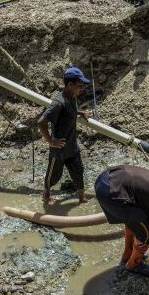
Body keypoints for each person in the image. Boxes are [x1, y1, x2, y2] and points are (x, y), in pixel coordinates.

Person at [38, 67, 91, 205]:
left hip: (72, 146)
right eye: (80, 86)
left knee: (78, 172)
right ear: (69, 85)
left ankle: (81, 197)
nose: (82, 89)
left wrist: (80, 113)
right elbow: (41, 122)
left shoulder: (71, 98)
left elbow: (70, 112)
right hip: (59, 149)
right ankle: (46, 195)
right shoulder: (59, 102)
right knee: (53, 175)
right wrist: (51, 141)